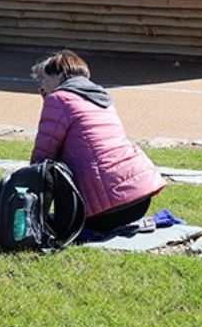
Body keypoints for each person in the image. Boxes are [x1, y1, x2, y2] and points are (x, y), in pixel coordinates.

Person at [29, 50, 166, 233]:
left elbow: (43, 157)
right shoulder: (101, 98)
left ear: (60, 76)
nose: (43, 84)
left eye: (45, 78)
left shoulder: (59, 98)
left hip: (107, 211)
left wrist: (28, 195)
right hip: (140, 200)